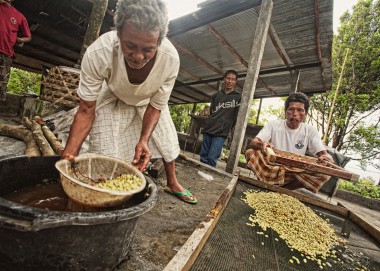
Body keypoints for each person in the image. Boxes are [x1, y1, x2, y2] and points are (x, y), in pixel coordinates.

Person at [62, 0, 197, 204]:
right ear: (118, 34)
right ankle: (107, 189)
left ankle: (172, 182)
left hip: (149, 100)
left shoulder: (170, 60)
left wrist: (143, 140)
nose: (138, 56)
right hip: (114, 95)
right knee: (105, 150)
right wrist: (67, 157)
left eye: (148, 49)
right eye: (130, 45)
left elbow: (156, 106)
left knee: (167, 141)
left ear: (159, 42)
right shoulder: (100, 53)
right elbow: (85, 111)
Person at [245, 92, 335, 193]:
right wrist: (262, 144)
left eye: (300, 110)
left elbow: (322, 154)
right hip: (273, 167)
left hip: (295, 171)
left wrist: (327, 158)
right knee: (251, 152)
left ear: (305, 113)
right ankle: (270, 184)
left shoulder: (310, 130)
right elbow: (254, 142)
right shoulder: (273, 125)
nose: (295, 113)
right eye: (291, 109)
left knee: (325, 173)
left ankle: (283, 190)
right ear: (285, 111)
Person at [200, 70, 241, 167]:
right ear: (224, 79)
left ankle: (209, 178)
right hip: (209, 128)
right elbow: (212, 112)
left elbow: (236, 116)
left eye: (232, 79)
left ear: (235, 82)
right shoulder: (216, 95)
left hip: (222, 132)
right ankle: (200, 177)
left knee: (212, 157)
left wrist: (229, 128)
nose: (230, 81)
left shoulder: (238, 97)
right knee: (203, 156)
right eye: (228, 78)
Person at [0, 0, 31, 101]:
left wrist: (19, 39)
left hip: (6, 54)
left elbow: (28, 37)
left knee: (2, 84)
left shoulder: (19, 16)